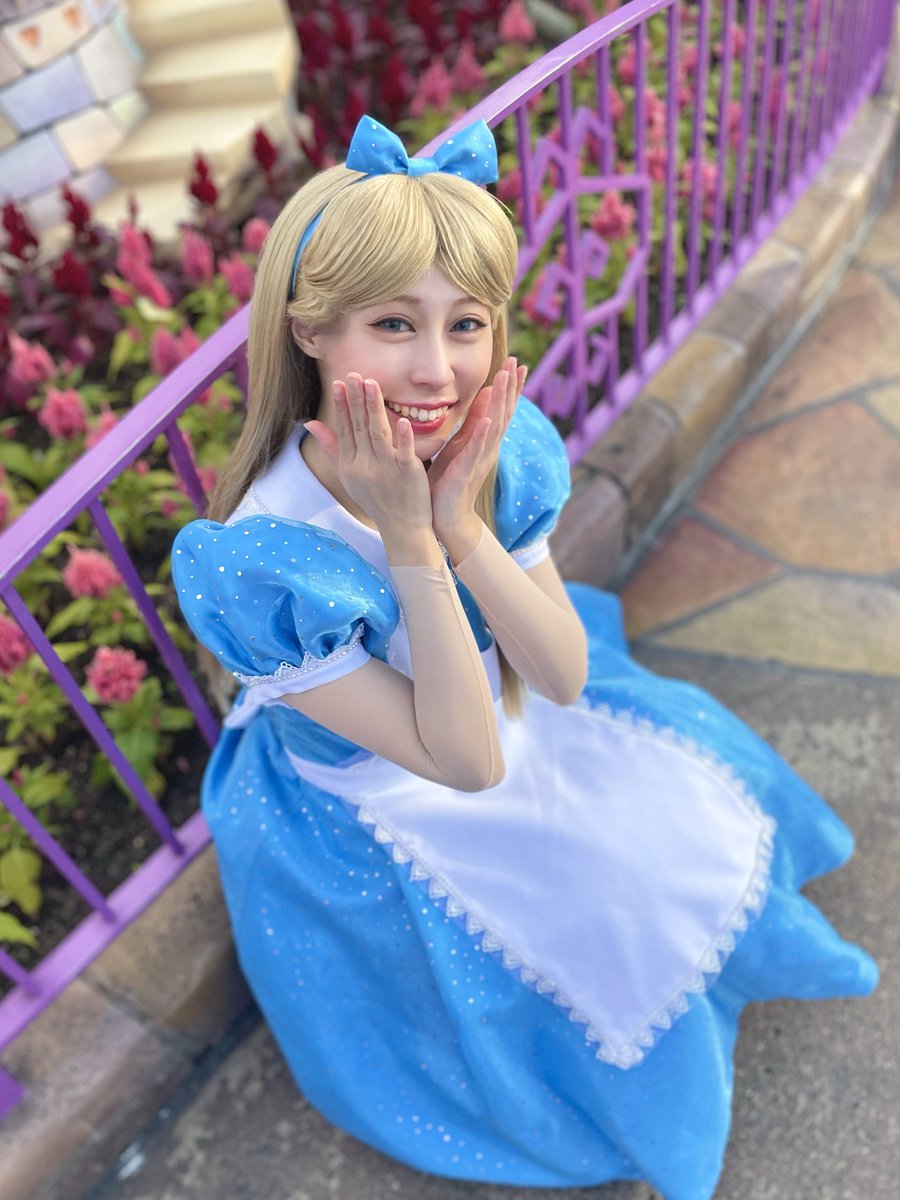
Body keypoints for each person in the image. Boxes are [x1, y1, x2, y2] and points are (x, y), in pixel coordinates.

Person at [171, 116, 877, 1200]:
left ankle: (767, 948)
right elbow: (461, 764)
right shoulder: (267, 556)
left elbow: (562, 676)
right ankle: (651, 1106)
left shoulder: (492, 446)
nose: (436, 369)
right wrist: (411, 540)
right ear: (310, 331)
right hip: (379, 788)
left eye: (466, 324)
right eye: (393, 324)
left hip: (505, 701)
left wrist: (462, 524)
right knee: (599, 910)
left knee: (676, 807)